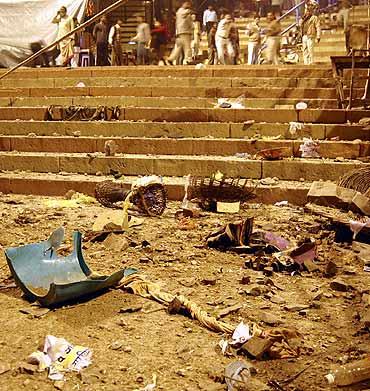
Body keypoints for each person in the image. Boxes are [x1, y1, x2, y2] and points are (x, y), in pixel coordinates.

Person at [166, 1, 193, 65]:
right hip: (184, 32)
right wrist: (190, 10)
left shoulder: (183, 13)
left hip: (180, 32)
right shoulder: (181, 11)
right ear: (182, 4)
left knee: (178, 48)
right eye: (187, 3)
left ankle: (171, 58)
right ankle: (188, 60)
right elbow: (187, 13)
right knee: (187, 46)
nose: (188, 5)